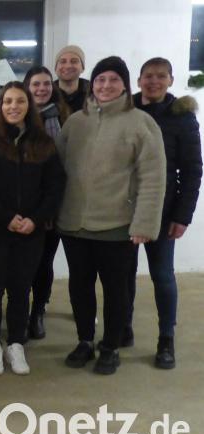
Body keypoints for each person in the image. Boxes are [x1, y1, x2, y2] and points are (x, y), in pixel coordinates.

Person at [58, 56, 166, 376]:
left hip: (117, 225)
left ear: (125, 84)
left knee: (116, 291)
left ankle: (111, 346)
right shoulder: (75, 122)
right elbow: (58, 171)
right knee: (80, 287)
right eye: (100, 79)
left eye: (113, 80)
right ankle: (85, 340)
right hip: (74, 224)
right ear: (92, 84)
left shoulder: (141, 124)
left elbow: (153, 177)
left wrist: (144, 223)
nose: (106, 86)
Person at [0, 81, 65, 376]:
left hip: (30, 231)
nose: (13, 106)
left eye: (19, 101)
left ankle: (16, 344)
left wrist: (35, 219)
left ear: (28, 106)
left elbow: (55, 187)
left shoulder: (44, 145)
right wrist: (6, 217)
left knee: (21, 290)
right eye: (8, 101)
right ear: (0, 106)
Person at [126, 57, 202, 369]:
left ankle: (165, 338)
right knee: (122, 276)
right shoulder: (125, 109)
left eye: (160, 76)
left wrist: (182, 216)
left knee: (162, 275)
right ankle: (122, 328)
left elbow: (193, 170)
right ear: (139, 79)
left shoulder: (181, 117)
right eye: (148, 76)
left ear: (170, 80)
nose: (153, 81)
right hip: (124, 207)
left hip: (163, 209)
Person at [22, 66, 71, 340]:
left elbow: (66, 164)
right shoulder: (16, 116)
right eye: (35, 84)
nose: (41, 89)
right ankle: (20, 309)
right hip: (22, 205)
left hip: (52, 204)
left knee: (44, 262)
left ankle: (38, 310)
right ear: (26, 87)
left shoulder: (64, 117)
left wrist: (50, 207)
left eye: (45, 84)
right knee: (23, 264)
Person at [54, 45, 89, 113]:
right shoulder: (47, 92)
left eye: (74, 61)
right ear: (55, 68)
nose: (68, 66)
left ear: (82, 68)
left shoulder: (93, 92)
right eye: (63, 61)